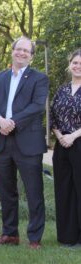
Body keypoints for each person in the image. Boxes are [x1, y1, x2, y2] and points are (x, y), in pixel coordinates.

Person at [0, 36, 49, 249]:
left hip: (27, 142)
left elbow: (37, 106)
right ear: (12, 51)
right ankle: (10, 234)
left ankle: (34, 238)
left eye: (26, 51)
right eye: (18, 49)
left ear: (31, 56)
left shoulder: (39, 78)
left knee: (34, 191)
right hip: (1, 141)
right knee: (6, 191)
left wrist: (12, 121)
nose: (21, 53)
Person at [50, 49, 81, 248]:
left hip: (79, 142)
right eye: (75, 62)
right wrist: (60, 135)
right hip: (62, 146)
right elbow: (52, 116)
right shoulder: (61, 90)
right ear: (69, 65)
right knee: (64, 190)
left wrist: (73, 135)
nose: (77, 66)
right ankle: (67, 238)